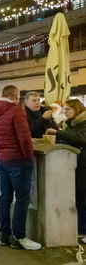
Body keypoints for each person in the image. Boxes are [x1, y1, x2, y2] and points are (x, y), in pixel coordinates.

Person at [0, 85, 41, 250]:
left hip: (1, 160)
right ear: (16, 97)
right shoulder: (16, 111)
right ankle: (19, 237)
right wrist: (28, 157)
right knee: (22, 199)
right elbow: (25, 139)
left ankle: (4, 235)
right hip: (18, 160)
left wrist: (1, 149)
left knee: (5, 197)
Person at [46, 99, 86, 242]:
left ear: (77, 109)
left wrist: (59, 133)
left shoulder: (83, 122)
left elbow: (81, 139)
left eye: (68, 109)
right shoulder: (69, 124)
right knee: (78, 196)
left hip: (83, 165)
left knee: (82, 197)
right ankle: (80, 228)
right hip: (74, 164)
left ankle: (83, 230)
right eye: (64, 109)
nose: (65, 112)